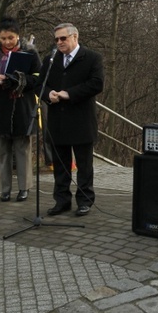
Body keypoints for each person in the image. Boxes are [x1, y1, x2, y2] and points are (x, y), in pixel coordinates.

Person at [36, 23, 104, 217]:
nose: (59, 42)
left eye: (63, 38)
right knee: (60, 164)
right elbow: (40, 85)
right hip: (58, 120)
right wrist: (49, 94)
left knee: (84, 165)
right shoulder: (50, 59)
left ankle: (84, 200)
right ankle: (62, 200)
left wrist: (69, 94)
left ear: (75, 37)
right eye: (56, 39)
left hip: (81, 119)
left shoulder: (92, 58)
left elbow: (96, 84)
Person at [0, 17, 41, 202]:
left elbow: (38, 77)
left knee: (22, 149)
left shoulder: (29, 52)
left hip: (22, 105)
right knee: (2, 151)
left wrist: (20, 80)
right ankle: (5, 189)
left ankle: (24, 188)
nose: (7, 42)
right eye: (4, 38)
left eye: (11, 38)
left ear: (18, 36)